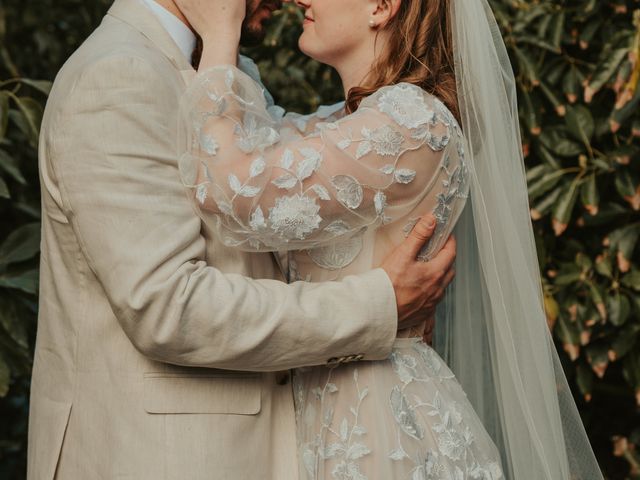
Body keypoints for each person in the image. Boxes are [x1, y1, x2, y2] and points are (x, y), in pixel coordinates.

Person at [174, 0, 606, 478]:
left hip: (379, 429)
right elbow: (257, 136)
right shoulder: (349, 123)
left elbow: (233, 191)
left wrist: (220, 35)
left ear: (382, 6)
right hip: (324, 416)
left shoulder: (411, 123)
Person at [27, 0, 458, 478]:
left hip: (338, 434)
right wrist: (378, 305)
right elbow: (170, 306)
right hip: (162, 457)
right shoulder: (119, 75)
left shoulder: (231, 73)